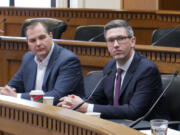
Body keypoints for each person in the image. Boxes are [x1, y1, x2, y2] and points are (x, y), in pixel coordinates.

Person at [57, 19, 165, 120]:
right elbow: (96, 98)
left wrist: (86, 107)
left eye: (121, 39)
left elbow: (134, 111)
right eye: (111, 40)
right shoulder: (110, 66)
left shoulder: (147, 70)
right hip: (118, 125)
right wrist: (75, 102)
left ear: (132, 41)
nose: (116, 45)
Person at [0, 19, 84, 105]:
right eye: (32, 40)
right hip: (33, 112)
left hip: (61, 113)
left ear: (50, 36)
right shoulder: (28, 58)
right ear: (27, 42)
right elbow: (13, 86)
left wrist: (17, 97)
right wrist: (5, 92)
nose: (38, 43)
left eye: (42, 38)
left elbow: (56, 96)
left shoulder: (68, 60)